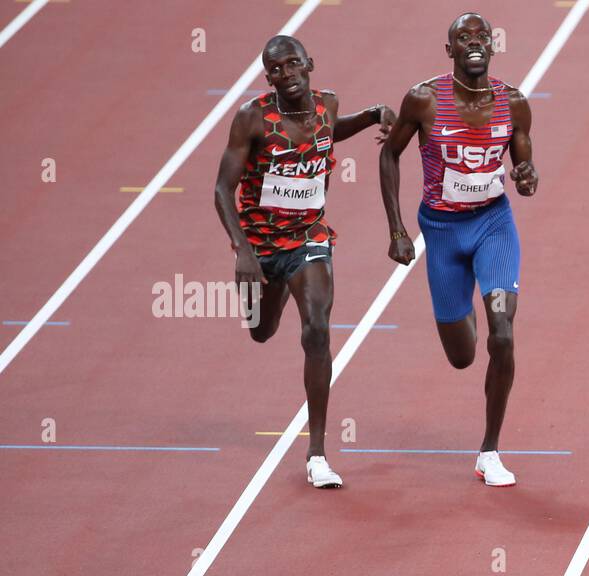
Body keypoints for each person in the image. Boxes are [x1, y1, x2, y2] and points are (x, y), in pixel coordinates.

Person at [215, 35, 395, 488]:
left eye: (293, 64)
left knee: (316, 330)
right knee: (261, 331)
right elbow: (222, 189)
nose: (287, 74)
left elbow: (331, 129)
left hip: (309, 239)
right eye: (276, 69)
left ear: (309, 64)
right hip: (259, 247)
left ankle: (317, 453)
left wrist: (373, 114)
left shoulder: (327, 104)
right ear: (268, 76)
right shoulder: (252, 118)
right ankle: (263, 300)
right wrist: (242, 250)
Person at [379, 12, 537, 488]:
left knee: (503, 335)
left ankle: (489, 450)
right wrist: (397, 230)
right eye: (462, 37)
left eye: (481, 36)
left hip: (493, 225)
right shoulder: (424, 99)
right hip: (442, 232)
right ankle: (465, 301)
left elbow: (525, 168)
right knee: (463, 355)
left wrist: (528, 178)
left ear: (492, 46)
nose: (474, 42)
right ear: (449, 51)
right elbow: (390, 154)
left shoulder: (514, 103)